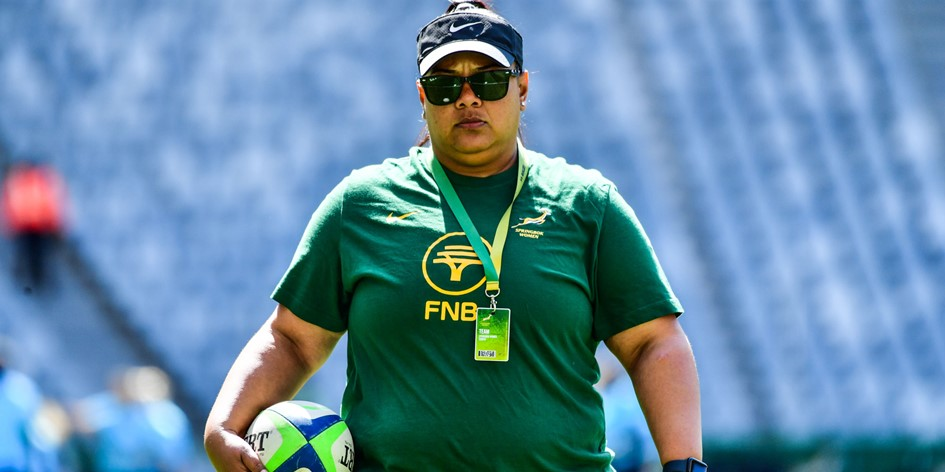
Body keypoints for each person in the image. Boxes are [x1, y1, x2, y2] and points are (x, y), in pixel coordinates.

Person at [204, 1, 704, 470]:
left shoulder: (587, 204)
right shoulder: (361, 203)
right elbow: (293, 338)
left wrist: (684, 465)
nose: (467, 97)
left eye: (488, 80)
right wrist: (223, 426)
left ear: (522, 88)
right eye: (445, 85)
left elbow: (653, 343)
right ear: (423, 96)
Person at [0, 159, 67, 293]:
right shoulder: (38, 182)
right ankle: (31, 280)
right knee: (31, 254)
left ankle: (34, 281)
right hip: (32, 225)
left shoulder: (21, 182)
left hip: (31, 225)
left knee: (33, 254)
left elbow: (11, 204)